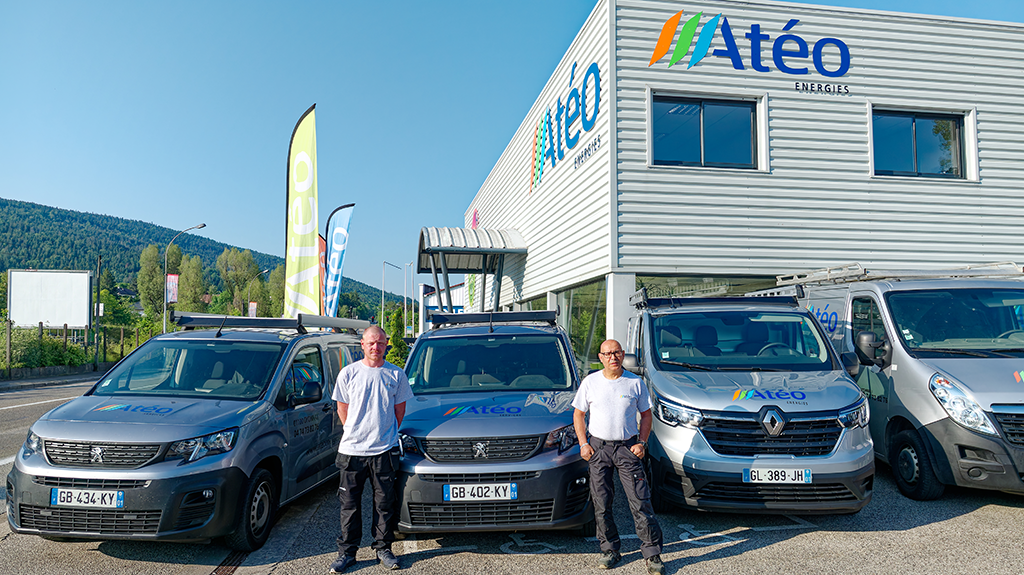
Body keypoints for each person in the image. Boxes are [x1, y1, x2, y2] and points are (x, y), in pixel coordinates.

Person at [573, 339, 665, 574]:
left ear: (623, 355)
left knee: (640, 501)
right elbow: (579, 414)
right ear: (600, 357)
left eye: (616, 353)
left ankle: (652, 553)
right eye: (607, 353)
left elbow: (646, 415)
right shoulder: (590, 382)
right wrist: (583, 444)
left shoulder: (635, 383)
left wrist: (642, 443)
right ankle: (610, 549)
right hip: (598, 449)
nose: (612, 357)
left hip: (627, 448)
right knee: (601, 503)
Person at [330, 325, 414, 572]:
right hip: (352, 452)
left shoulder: (396, 375)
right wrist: (357, 432)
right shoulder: (348, 374)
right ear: (363, 345)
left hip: (384, 451)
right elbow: (342, 409)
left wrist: (380, 433)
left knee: (384, 504)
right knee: (349, 506)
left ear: (386, 344)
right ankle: (347, 553)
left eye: (380, 343)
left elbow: (399, 412)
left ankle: (383, 549)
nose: (376, 347)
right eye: (371, 343)